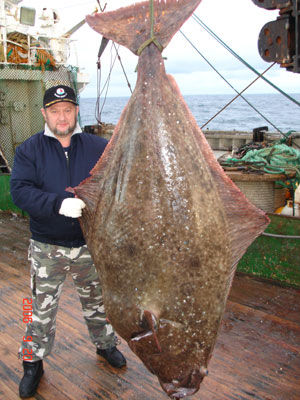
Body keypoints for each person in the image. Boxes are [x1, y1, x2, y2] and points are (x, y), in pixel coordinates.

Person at [10, 85, 126, 399]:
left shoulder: (99, 146)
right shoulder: (29, 150)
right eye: (55, 110)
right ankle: (32, 361)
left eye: (68, 109)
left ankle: (105, 345)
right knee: (36, 311)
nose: (62, 116)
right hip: (48, 247)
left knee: (99, 304)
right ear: (44, 113)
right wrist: (57, 203)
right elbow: (19, 190)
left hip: (90, 244)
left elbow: (119, 181)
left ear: (76, 111)